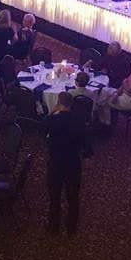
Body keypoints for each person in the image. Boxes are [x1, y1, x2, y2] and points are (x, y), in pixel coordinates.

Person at [46, 92, 85, 235]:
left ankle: (53, 226)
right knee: (73, 197)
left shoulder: (52, 120)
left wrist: (52, 112)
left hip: (56, 162)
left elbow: (41, 129)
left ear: (58, 103)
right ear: (72, 104)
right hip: (73, 163)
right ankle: (71, 227)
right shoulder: (79, 121)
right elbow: (87, 148)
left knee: (54, 196)